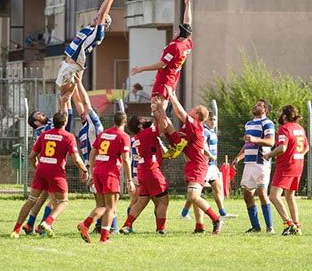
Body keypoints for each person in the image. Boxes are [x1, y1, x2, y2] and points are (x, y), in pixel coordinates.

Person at [11, 111, 88, 238]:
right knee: (63, 201)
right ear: (65, 122)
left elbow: (31, 157)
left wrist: (37, 167)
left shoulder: (44, 135)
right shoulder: (68, 136)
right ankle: (47, 222)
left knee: (32, 200)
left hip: (41, 169)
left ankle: (16, 230)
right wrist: (85, 170)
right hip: (56, 172)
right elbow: (76, 159)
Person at [56, 0, 124, 112]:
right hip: (67, 63)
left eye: (100, 18)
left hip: (73, 66)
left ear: (104, 23)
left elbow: (103, 13)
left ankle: (63, 129)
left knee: (63, 101)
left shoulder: (98, 34)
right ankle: (63, 126)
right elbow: (101, 11)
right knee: (64, 100)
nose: (96, 16)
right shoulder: (88, 28)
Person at [167, 87, 223, 234]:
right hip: (192, 164)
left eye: (193, 109)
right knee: (195, 196)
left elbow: (179, 112)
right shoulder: (190, 126)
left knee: (193, 195)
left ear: (197, 115)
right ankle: (199, 226)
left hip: (198, 165)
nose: (190, 110)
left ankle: (216, 219)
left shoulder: (194, 124)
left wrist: (172, 95)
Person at [119, 102, 178, 235]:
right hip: (152, 171)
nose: (145, 120)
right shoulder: (147, 133)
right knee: (164, 200)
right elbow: (163, 126)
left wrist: (155, 113)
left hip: (142, 172)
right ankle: (161, 229)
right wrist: (162, 109)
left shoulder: (136, 138)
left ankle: (126, 226)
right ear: (139, 125)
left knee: (141, 202)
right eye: (142, 120)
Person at [130, 0, 192, 111]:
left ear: (181, 34)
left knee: (157, 109)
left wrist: (141, 69)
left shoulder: (174, 47)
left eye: (177, 30)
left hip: (165, 79)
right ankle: (160, 127)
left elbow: (162, 64)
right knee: (158, 109)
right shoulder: (187, 42)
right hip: (172, 77)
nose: (175, 31)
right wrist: (188, 5)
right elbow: (187, 22)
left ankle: (160, 129)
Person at [77, 111, 134, 244]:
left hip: (98, 170)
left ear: (114, 121)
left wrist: (91, 171)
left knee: (102, 205)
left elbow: (93, 152)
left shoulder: (104, 134)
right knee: (110, 207)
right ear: (125, 122)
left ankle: (86, 225)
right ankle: (102, 237)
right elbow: (126, 160)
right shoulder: (123, 136)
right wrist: (129, 180)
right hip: (110, 173)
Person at [73, 74, 117, 236]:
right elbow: (79, 102)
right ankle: (107, 227)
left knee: (104, 201)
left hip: (96, 166)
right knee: (105, 201)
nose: (82, 112)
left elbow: (84, 102)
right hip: (96, 166)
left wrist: (78, 82)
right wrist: (73, 87)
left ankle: (105, 226)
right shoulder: (85, 127)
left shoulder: (94, 124)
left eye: (86, 112)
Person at [23, 104, 73, 235]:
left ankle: (30, 223)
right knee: (55, 200)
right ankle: (43, 226)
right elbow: (64, 118)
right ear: (36, 122)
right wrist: (64, 100)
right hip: (52, 170)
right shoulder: (44, 129)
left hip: (44, 169)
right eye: (38, 114)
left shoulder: (45, 128)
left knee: (42, 198)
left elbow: (61, 117)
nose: (41, 113)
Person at [180, 112, 237, 220]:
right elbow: (201, 146)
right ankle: (184, 213)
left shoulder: (212, 131)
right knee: (195, 192)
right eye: (211, 119)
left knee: (218, 187)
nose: (213, 122)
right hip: (205, 165)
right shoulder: (204, 131)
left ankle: (223, 213)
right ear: (206, 120)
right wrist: (210, 156)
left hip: (212, 166)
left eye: (215, 120)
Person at [232, 99, 275, 233]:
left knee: (262, 193)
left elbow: (271, 142)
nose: (255, 106)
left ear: (265, 110)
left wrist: (255, 139)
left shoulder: (267, 123)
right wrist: (238, 158)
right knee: (247, 194)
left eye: (260, 105)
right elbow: (247, 144)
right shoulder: (248, 124)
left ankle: (270, 227)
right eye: (255, 104)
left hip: (261, 162)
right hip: (248, 163)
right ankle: (256, 227)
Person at [264, 105, 309, 235]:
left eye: (280, 113)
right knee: (290, 196)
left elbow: (282, 148)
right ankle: (297, 226)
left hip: (286, 166)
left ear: (284, 116)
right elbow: (306, 147)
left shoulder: (284, 129)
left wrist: (269, 154)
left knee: (273, 196)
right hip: (298, 165)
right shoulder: (300, 129)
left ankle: (289, 224)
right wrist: (297, 156)